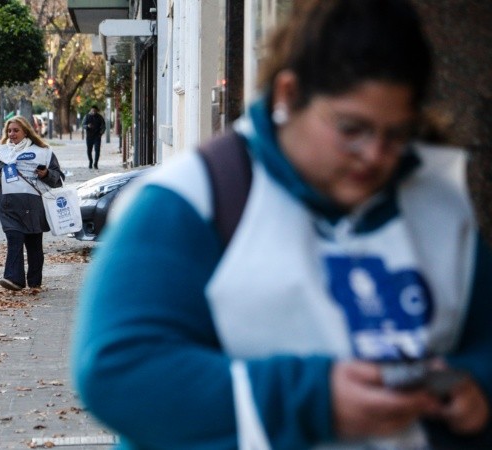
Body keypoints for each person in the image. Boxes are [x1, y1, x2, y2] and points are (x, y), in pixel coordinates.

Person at [72, 0, 492, 448]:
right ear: (289, 95)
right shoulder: (190, 200)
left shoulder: (439, 204)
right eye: (352, 128)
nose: (375, 155)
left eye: (396, 134)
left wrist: (475, 391)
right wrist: (316, 398)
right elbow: (117, 372)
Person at [0, 115, 65, 291]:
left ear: (26, 131)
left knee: (34, 245)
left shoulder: (43, 152)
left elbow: (58, 179)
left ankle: (35, 282)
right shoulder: (2, 154)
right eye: (9, 131)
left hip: (34, 207)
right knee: (15, 239)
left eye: (16, 130)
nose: (11, 134)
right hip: (9, 208)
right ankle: (14, 279)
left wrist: (46, 174)